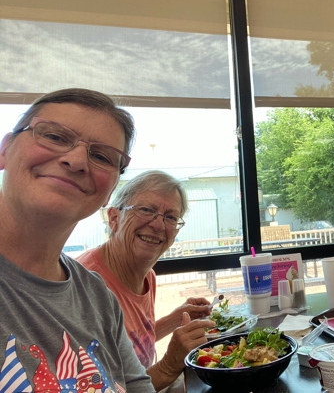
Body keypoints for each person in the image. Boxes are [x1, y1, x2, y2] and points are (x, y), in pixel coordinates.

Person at [0, 88, 154, 391]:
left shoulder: (96, 297)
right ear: (4, 150)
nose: (76, 161)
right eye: (55, 137)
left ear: (109, 190)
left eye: (101, 156)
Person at [78, 170, 215, 391]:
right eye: (145, 210)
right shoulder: (86, 288)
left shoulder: (146, 274)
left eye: (170, 217)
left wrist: (174, 320)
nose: (158, 225)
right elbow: (106, 387)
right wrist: (170, 364)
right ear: (114, 218)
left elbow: (129, 343)